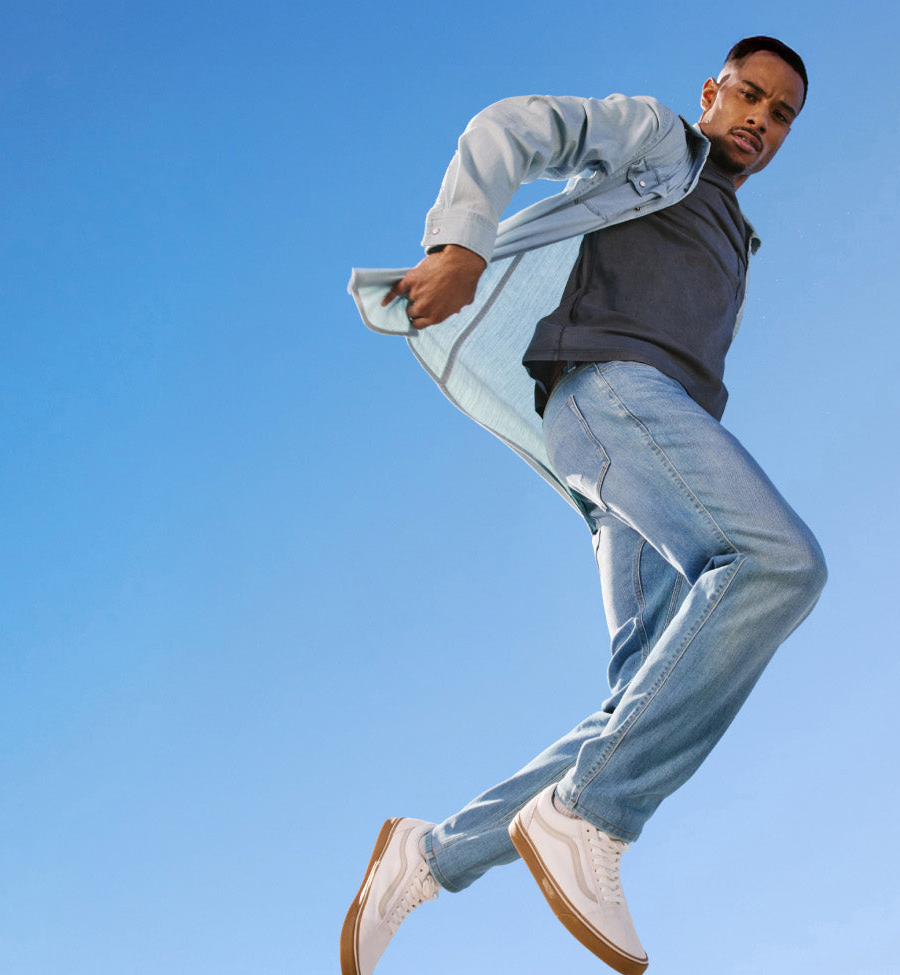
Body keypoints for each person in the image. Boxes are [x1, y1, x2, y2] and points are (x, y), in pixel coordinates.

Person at [340, 37, 824, 975]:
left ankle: (428, 857)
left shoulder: (736, 233)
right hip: (608, 397)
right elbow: (514, 126)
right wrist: (461, 244)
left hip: (636, 464)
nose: (760, 119)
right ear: (711, 93)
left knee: (639, 704)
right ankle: (591, 818)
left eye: (781, 113)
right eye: (748, 96)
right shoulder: (656, 143)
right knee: (778, 565)